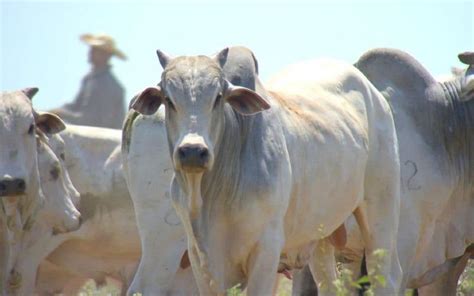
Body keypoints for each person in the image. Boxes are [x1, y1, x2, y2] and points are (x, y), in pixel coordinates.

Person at [52, 34, 126, 129]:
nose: (90, 53)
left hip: (103, 140)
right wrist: (52, 113)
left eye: (95, 50)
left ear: (106, 55)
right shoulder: (90, 79)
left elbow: (93, 122)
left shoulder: (108, 85)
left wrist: (60, 114)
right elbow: (75, 106)